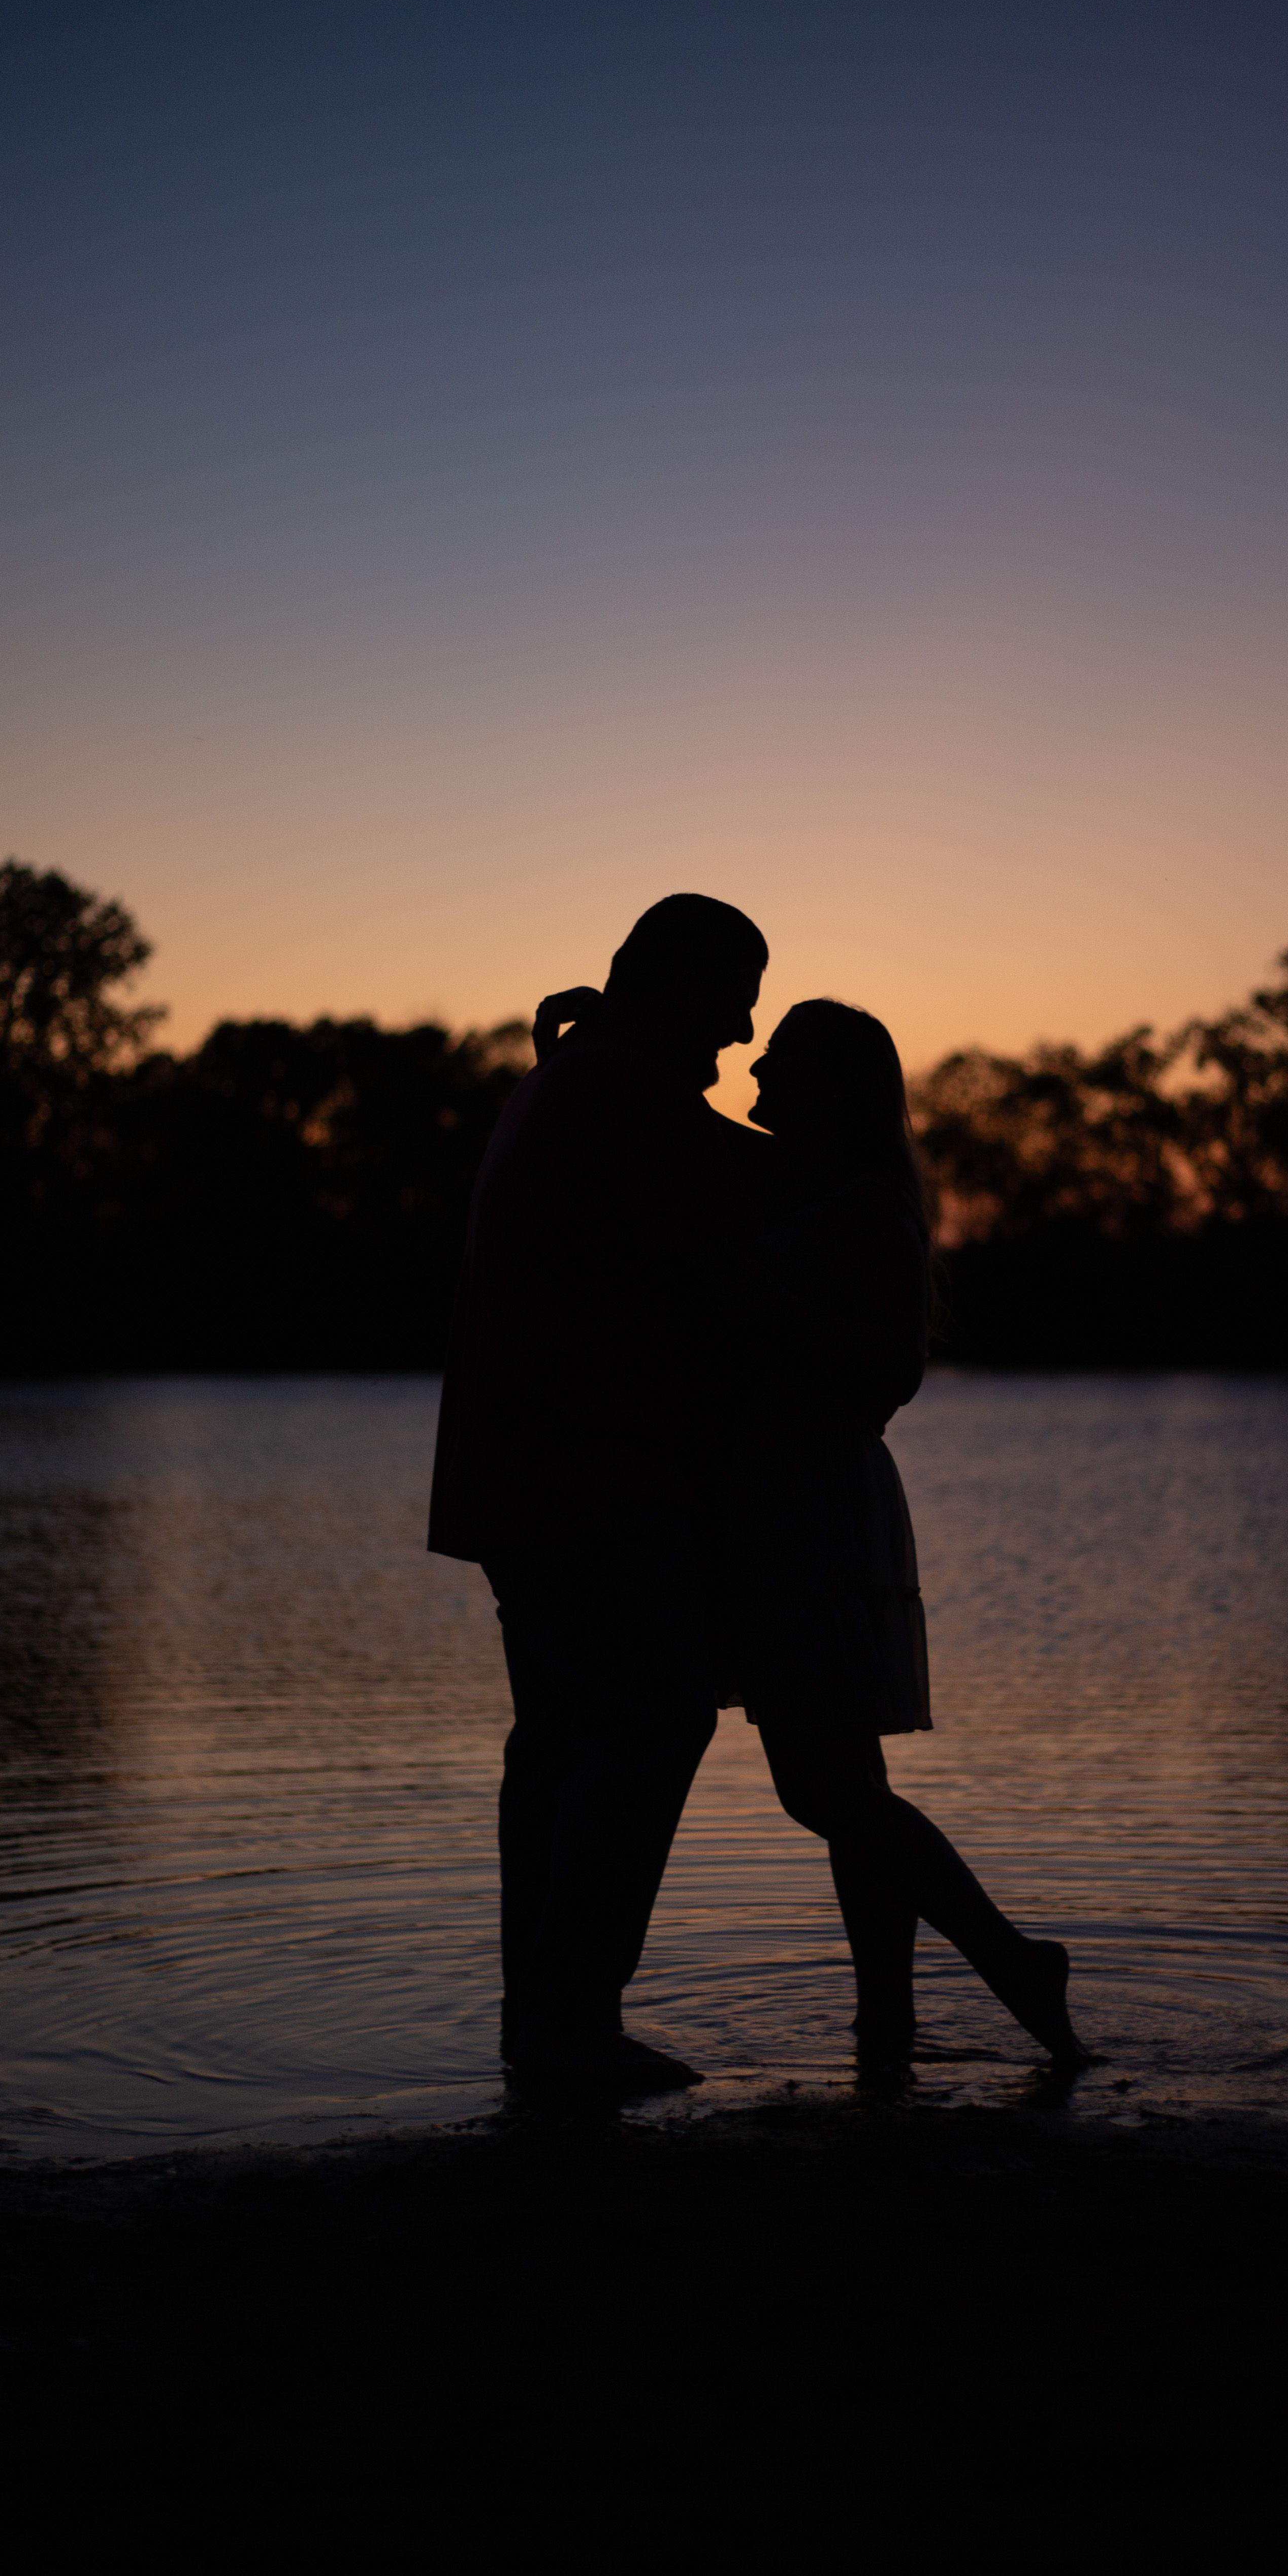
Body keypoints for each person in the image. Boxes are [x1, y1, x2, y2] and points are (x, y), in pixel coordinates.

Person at [428, 893, 771, 2095]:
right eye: (736, 1005)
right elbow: (757, 1238)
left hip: (524, 1476)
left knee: (561, 1742)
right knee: (656, 1720)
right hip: (590, 1482)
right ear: (681, 986)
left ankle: (542, 2023)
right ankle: (572, 2022)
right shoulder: (630, 1094)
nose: (742, 1036)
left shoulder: (582, 1080)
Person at [732, 999, 1082, 2068]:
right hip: (774, 1505)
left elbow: (896, 1370)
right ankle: (886, 2017)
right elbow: (663, 1120)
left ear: (838, 1089)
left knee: (821, 1788)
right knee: (852, 1789)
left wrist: (759, 1306)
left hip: (823, 1509)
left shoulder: (871, 1207)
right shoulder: (780, 1176)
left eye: (782, 1060)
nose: (756, 1072)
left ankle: (1013, 1960)